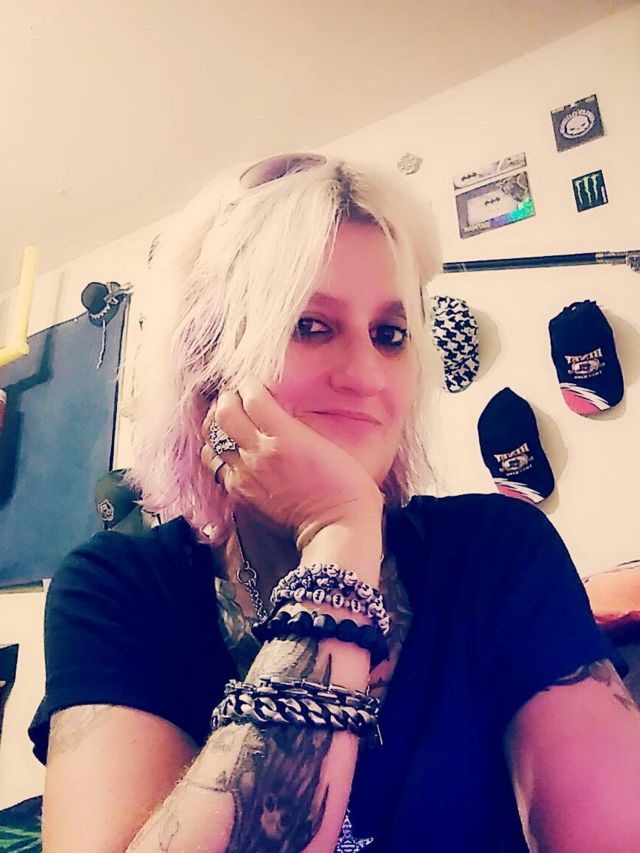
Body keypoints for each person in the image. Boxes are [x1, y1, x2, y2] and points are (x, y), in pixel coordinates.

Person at [29, 153, 640, 853]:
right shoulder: (115, 590)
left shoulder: (499, 550)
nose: (365, 374)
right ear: (208, 363)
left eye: (390, 334)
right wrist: (338, 539)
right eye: (310, 325)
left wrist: (340, 525)